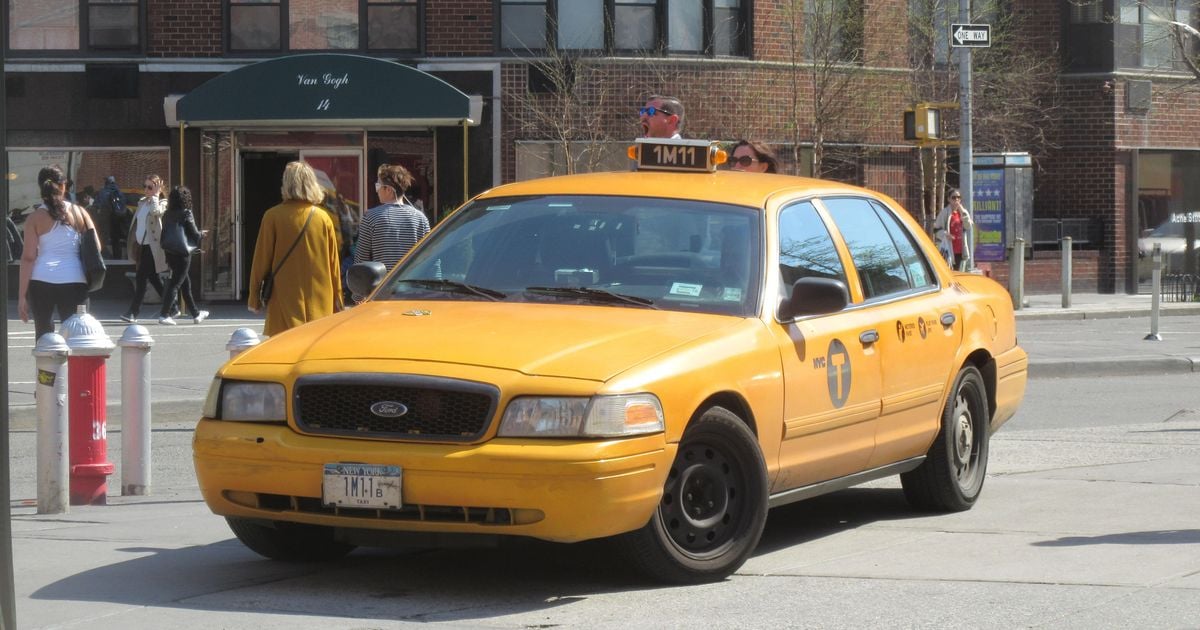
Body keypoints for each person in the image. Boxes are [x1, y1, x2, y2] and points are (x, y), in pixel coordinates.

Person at [247, 161, 343, 336]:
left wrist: (254, 298)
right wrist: (339, 299)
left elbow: (261, 261)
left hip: (284, 299)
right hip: (321, 301)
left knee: (284, 353)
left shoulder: (272, 216)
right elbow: (333, 264)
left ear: (286, 183)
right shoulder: (324, 218)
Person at [17, 166, 101, 340]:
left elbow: (28, 258)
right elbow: (96, 247)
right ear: (63, 186)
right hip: (75, 280)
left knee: (44, 338)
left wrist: (21, 297)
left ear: (41, 187)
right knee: (76, 337)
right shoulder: (80, 213)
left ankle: (47, 368)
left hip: (41, 281)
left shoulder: (34, 218)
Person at [353, 163, 430, 300]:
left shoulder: (371, 217)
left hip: (381, 291)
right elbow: (430, 259)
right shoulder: (421, 219)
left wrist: (358, 296)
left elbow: (361, 258)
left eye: (378, 186)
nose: (376, 191)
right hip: (413, 292)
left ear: (388, 189)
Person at [157, 186, 210, 325]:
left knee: (185, 284)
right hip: (183, 253)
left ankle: (196, 314)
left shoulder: (167, 214)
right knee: (176, 283)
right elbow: (194, 233)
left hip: (169, 252)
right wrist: (202, 234)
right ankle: (164, 314)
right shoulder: (186, 213)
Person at [120, 175, 170, 323]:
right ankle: (172, 307)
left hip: (153, 246)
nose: (146, 190)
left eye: (150, 187)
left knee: (141, 277)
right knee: (153, 278)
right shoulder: (142, 203)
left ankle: (133, 312)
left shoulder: (162, 202)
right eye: (145, 186)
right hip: (141, 245)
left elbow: (157, 213)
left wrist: (156, 196)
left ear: (158, 188)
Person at [934, 188, 975, 271]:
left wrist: (963, 212)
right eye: (953, 197)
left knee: (959, 274)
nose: (956, 199)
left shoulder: (963, 212)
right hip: (949, 250)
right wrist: (945, 234)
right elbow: (936, 230)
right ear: (948, 199)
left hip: (960, 249)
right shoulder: (945, 213)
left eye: (958, 197)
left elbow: (968, 226)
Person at [95, 175, 128, 257]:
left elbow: (97, 204)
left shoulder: (103, 192)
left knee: (102, 237)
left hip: (105, 218)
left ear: (106, 182)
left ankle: (103, 255)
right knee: (116, 239)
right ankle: (117, 256)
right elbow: (124, 205)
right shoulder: (119, 192)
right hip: (117, 218)